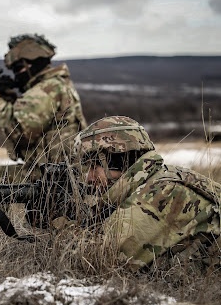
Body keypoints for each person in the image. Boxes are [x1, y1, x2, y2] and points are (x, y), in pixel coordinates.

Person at [72, 115, 221, 272]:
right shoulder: (161, 179)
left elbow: (97, 260)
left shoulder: (161, 193)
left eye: (95, 166)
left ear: (119, 161)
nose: (89, 178)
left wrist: (61, 222)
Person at [0, 33, 87, 183]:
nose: (16, 74)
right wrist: (10, 100)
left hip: (53, 174)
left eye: (18, 68)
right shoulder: (57, 84)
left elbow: (19, 134)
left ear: (30, 63)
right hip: (61, 170)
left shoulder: (45, 90)